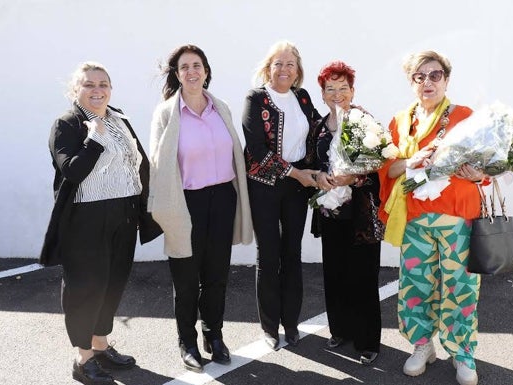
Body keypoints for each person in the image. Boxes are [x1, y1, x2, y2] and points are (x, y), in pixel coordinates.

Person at [40, 62, 162, 385]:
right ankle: (83, 359)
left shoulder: (119, 118)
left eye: (103, 84)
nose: (97, 91)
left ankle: (101, 345)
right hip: (86, 219)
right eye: (89, 85)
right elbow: (73, 171)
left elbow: (138, 163)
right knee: (85, 287)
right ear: (75, 91)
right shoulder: (67, 124)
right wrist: (94, 140)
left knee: (113, 282)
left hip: (124, 214)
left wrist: (145, 205)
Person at [378, 50, 486, 385]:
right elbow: (388, 169)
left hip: (458, 217)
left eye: (435, 75)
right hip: (416, 220)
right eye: (419, 76)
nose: (428, 82)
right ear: (411, 82)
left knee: (460, 287)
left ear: (446, 79)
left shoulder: (465, 116)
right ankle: (422, 344)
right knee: (416, 284)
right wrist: (411, 161)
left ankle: (462, 352)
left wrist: (476, 173)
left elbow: (486, 168)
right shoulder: (399, 122)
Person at [148, 44, 254, 373]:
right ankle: (187, 341)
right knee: (186, 278)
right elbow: (158, 165)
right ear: (177, 75)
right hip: (185, 203)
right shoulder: (166, 112)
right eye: (184, 67)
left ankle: (214, 335)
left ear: (206, 71)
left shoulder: (220, 107)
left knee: (217, 275)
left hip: (223, 198)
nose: (192, 71)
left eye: (197, 65)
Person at [242, 40, 321, 350]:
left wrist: (346, 118)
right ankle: (269, 327)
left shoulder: (302, 97)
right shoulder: (256, 98)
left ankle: (291, 322)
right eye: (279, 63)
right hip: (265, 184)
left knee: (292, 253)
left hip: (296, 187)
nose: (285, 69)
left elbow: (317, 131)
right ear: (268, 67)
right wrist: (297, 174)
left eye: (290, 64)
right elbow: (257, 150)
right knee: (269, 254)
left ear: (297, 70)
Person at [310, 61, 384, 365]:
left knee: (363, 276)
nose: (337, 94)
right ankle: (340, 330)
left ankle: (367, 340)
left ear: (352, 91)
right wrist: (319, 177)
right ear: (323, 94)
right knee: (335, 273)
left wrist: (353, 177)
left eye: (343, 88)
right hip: (330, 213)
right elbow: (310, 163)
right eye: (331, 89)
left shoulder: (364, 121)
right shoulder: (319, 127)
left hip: (361, 214)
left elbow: (379, 165)